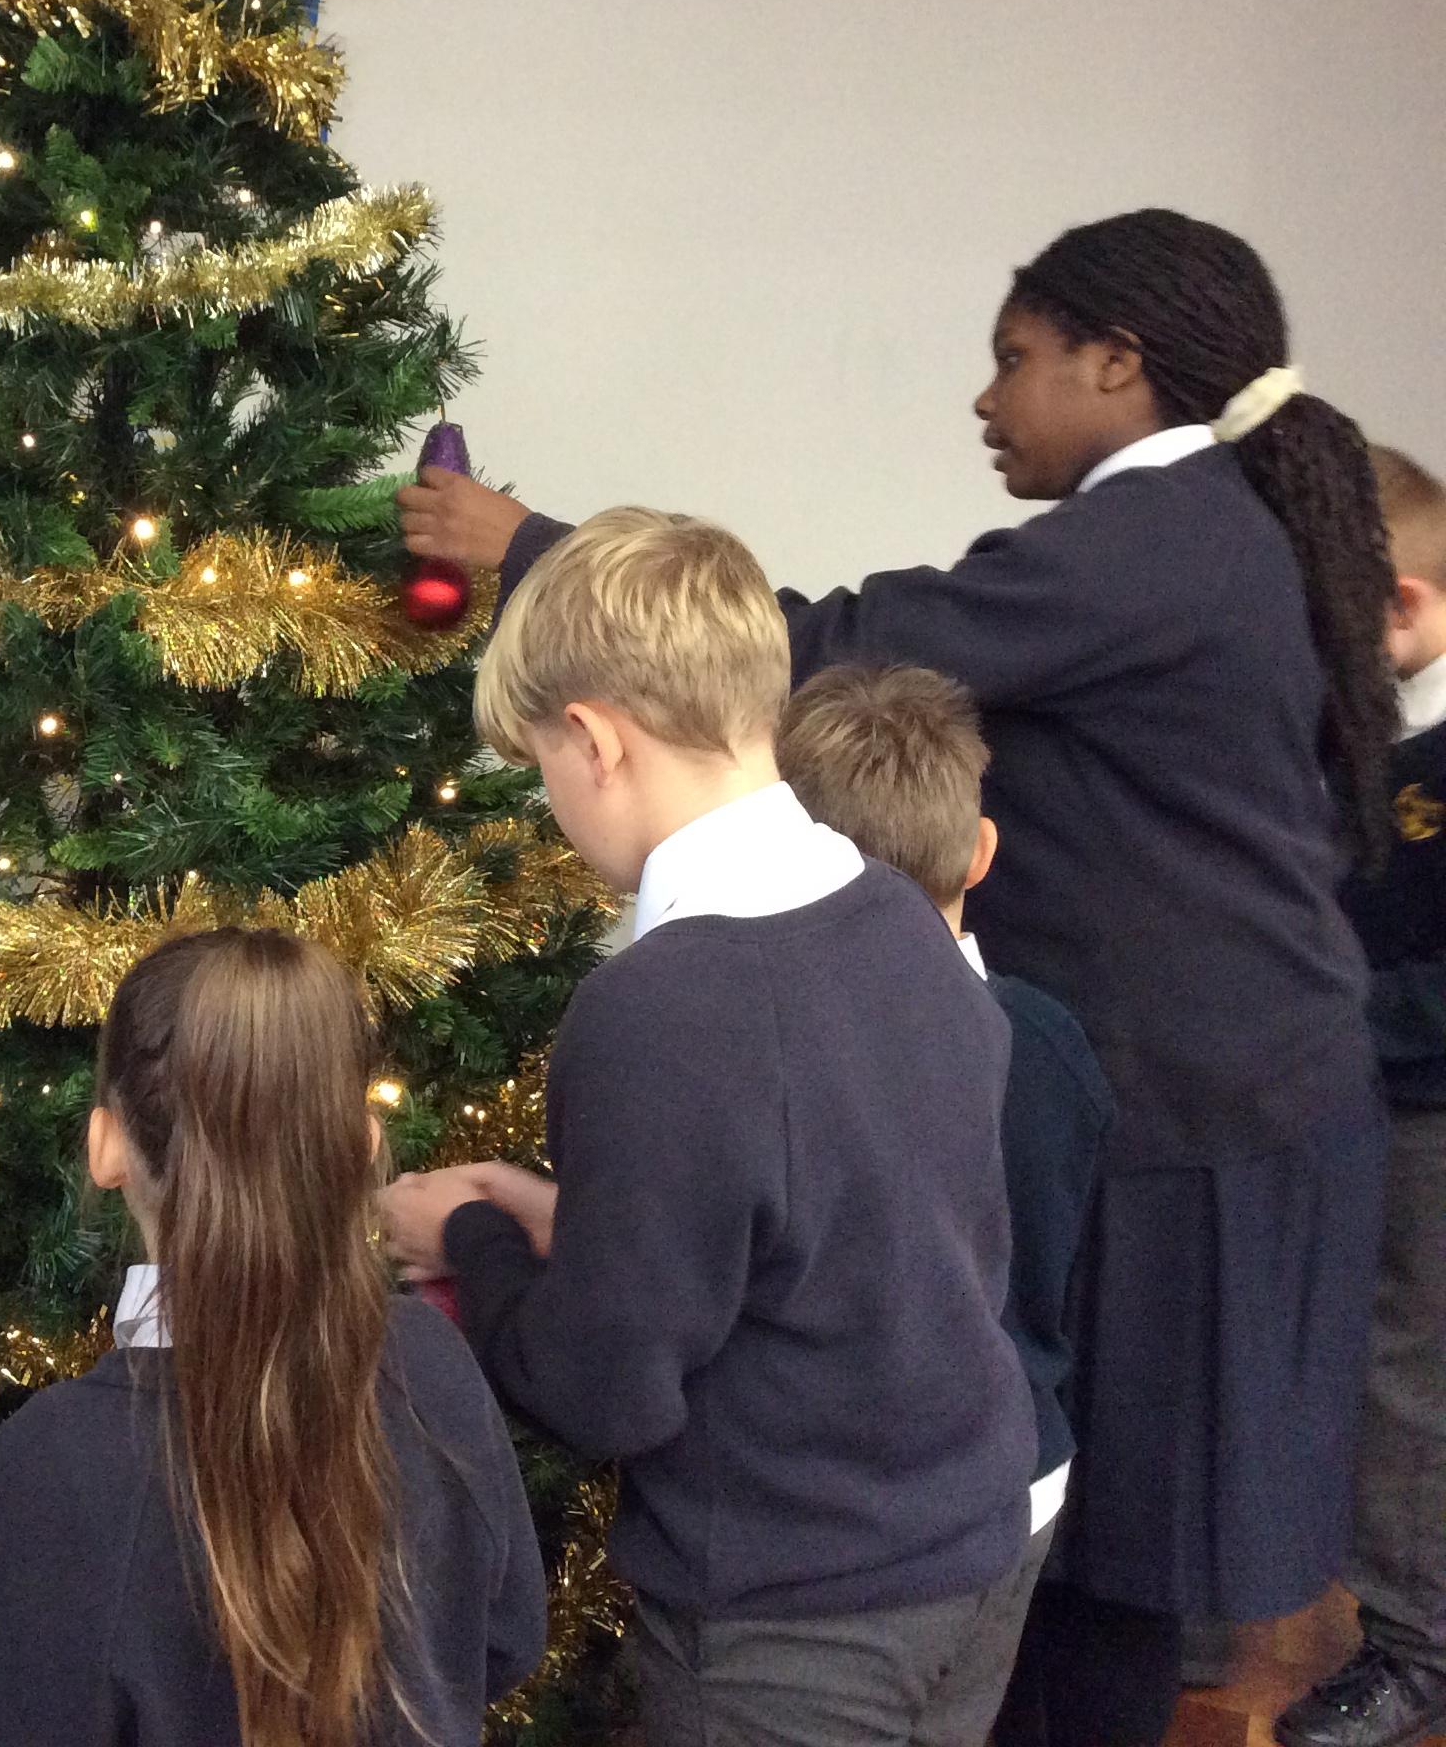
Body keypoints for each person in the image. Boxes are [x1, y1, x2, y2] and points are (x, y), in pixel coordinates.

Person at [405, 211, 1391, 1744]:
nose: (987, 400)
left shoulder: (1157, 533)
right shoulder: (902, 941)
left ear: (1118, 363)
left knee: (1117, 1569)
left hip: (1194, 1115)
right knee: (1105, 1552)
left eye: (1016, 359)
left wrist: (537, 551)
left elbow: (860, 643)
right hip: (1236, 1089)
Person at [380, 509, 1036, 1746]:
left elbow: (605, 1387)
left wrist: (470, 1234)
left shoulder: (663, 1004)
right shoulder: (896, 915)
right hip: (971, 1551)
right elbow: (835, 1226)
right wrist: (567, 1216)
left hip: (796, 1618)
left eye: (541, 765)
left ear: (593, 741)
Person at [0, 928, 546, 1746]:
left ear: (106, 1147)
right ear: (361, 1146)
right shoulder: (431, 1364)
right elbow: (507, 1639)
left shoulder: (64, 1456)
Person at [776, 665, 1117, 1658]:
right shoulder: (1049, 1038)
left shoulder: (787, 1050)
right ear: (981, 851)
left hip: (856, 1516)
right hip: (1026, 1468)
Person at [1274, 448, 1446, 1747]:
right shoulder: (1372, 735)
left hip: (1428, 1112)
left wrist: (1333, 1021)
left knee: (1407, 1379)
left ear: (1404, 604)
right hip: (1361, 1101)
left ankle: (1416, 1654)